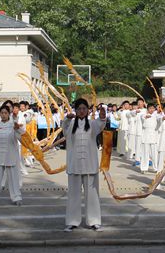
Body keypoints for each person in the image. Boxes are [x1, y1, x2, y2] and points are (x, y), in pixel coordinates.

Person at [62, 98, 107, 232]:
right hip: (74, 164)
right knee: (73, 195)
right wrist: (67, 119)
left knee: (92, 195)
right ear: (76, 110)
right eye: (79, 109)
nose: (81, 111)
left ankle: (94, 221)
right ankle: (72, 222)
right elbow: (64, 130)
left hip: (90, 165)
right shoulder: (70, 124)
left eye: (84, 108)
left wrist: (103, 116)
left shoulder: (93, 124)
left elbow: (101, 124)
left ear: (87, 110)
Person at [0, 105, 26, 206]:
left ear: (9, 114)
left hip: (10, 155)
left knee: (13, 178)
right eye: (2, 113)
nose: (3, 115)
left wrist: (17, 129)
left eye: (5, 113)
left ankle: (16, 197)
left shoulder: (13, 125)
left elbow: (21, 135)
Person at [139, 103, 160, 173]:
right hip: (145, 136)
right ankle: (144, 168)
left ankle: (156, 168)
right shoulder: (144, 115)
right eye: (150, 108)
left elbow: (160, 118)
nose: (151, 109)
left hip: (154, 136)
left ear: (155, 109)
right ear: (147, 109)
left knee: (154, 153)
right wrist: (146, 116)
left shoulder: (156, 116)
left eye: (153, 108)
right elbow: (142, 117)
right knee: (145, 153)